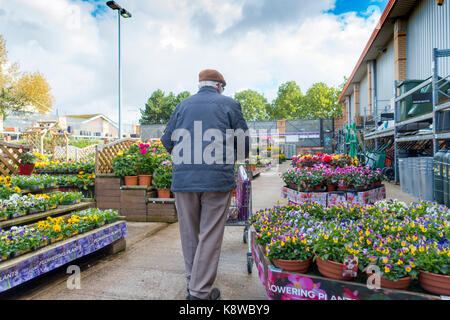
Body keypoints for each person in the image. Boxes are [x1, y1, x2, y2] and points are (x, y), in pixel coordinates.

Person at [161, 69, 249, 300]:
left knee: (189, 233)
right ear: (220, 85)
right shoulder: (230, 104)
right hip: (216, 180)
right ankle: (199, 293)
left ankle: (193, 283)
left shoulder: (183, 105)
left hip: (184, 181)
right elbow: (243, 145)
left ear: (200, 85)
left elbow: (167, 141)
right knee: (210, 234)